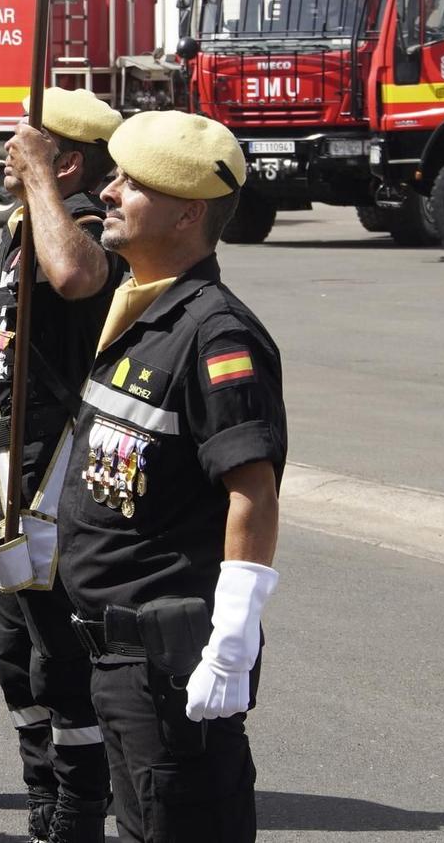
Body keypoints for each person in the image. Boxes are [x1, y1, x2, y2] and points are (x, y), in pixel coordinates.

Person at [56, 111, 286, 842]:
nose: (111, 192)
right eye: (116, 175)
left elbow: (252, 488)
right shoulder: (142, 315)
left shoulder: (214, 333)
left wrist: (233, 637)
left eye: (134, 183)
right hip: (117, 655)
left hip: (170, 660)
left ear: (188, 213)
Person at [0, 88, 126, 843]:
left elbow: (75, 279)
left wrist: (40, 188)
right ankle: (40, 785)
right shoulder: (24, 226)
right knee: (12, 649)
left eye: (26, 148)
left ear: (66, 163)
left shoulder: (81, 225)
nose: (6, 155)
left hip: (48, 476)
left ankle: (78, 806)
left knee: (57, 656)